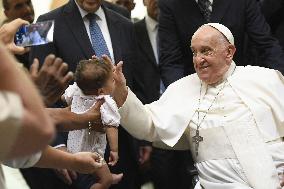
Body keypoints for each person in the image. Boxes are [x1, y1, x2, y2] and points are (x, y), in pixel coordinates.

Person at [113, 23, 284, 188]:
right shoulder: (182, 89)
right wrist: (121, 92)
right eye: (194, 52)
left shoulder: (265, 79)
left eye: (205, 51)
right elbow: (148, 124)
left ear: (229, 52)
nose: (198, 59)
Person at [29, 1, 141, 189]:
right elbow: (38, 90)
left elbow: (135, 78)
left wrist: (142, 138)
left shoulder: (123, 19)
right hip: (75, 148)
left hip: (123, 147)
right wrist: (56, 148)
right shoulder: (42, 23)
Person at [158, 0, 284, 87]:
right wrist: (182, 96)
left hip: (239, 84)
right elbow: (171, 61)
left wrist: (279, 81)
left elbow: (266, 45)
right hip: (195, 86)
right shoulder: (170, 4)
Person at [62, 57, 123, 189]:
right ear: (101, 91)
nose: (114, 82)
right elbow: (111, 126)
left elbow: (64, 98)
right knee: (104, 181)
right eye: (112, 80)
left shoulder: (76, 90)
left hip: (72, 149)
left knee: (89, 174)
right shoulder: (105, 102)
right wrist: (114, 150)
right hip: (92, 153)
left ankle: (106, 176)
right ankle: (106, 179)